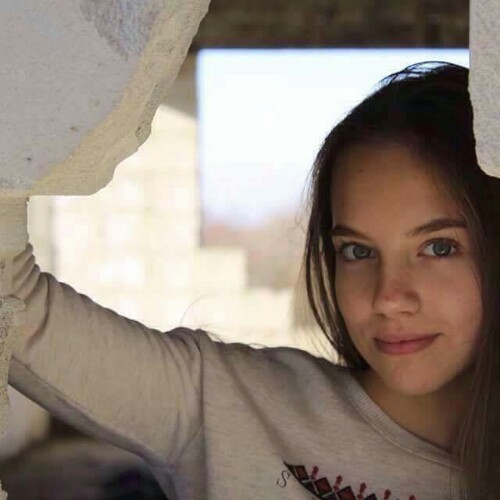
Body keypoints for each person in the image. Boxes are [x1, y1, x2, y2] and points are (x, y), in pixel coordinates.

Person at [7, 61, 499, 500]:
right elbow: (14, 300)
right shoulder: (227, 406)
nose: (388, 298)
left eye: (439, 248)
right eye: (357, 251)